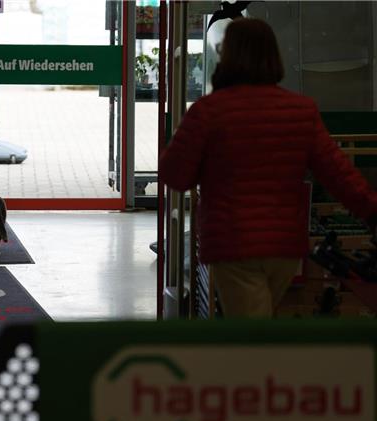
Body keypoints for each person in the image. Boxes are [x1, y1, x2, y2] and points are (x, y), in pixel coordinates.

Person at [159, 18, 377, 318]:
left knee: (252, 333)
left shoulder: (209, 111)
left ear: (227, 55)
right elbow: (338, 174)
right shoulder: (300, 110)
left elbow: (174, 175)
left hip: (232, 244)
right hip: (284, 247)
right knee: (261, 323)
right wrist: (372, 211)